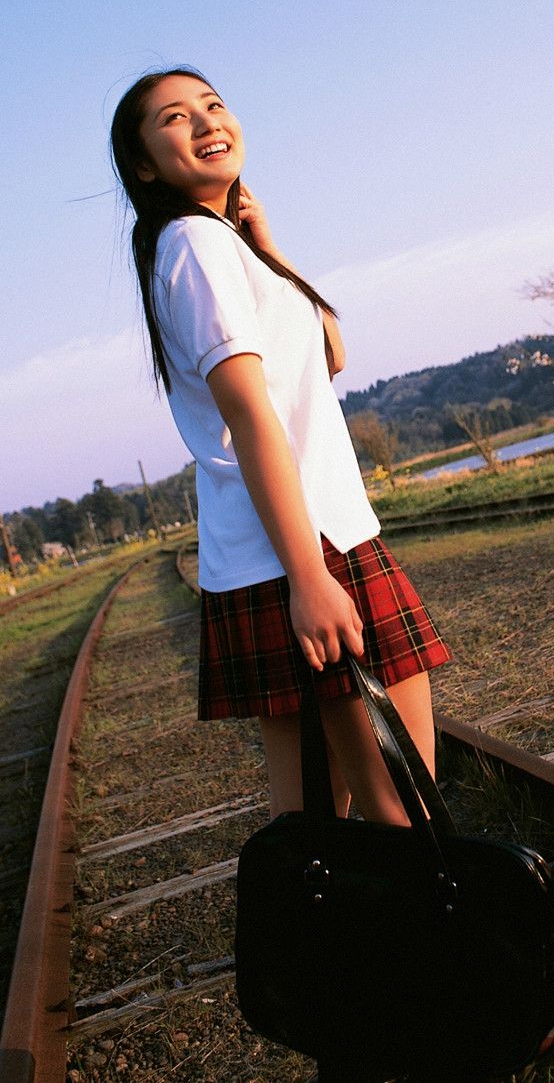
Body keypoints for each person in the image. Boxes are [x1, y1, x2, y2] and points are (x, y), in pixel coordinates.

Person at [109, 65, 452, 833]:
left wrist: (264, 245)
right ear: (144, 165)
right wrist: (310, 577)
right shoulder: (196, 245)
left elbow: (331, 353)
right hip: (307, 546)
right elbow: (251, 415)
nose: (206, 122)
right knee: (404, 816)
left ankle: (322, 925)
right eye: (175, 118)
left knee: (311, 830)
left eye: (212, 105)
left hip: (280, 548)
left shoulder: (214, 246)